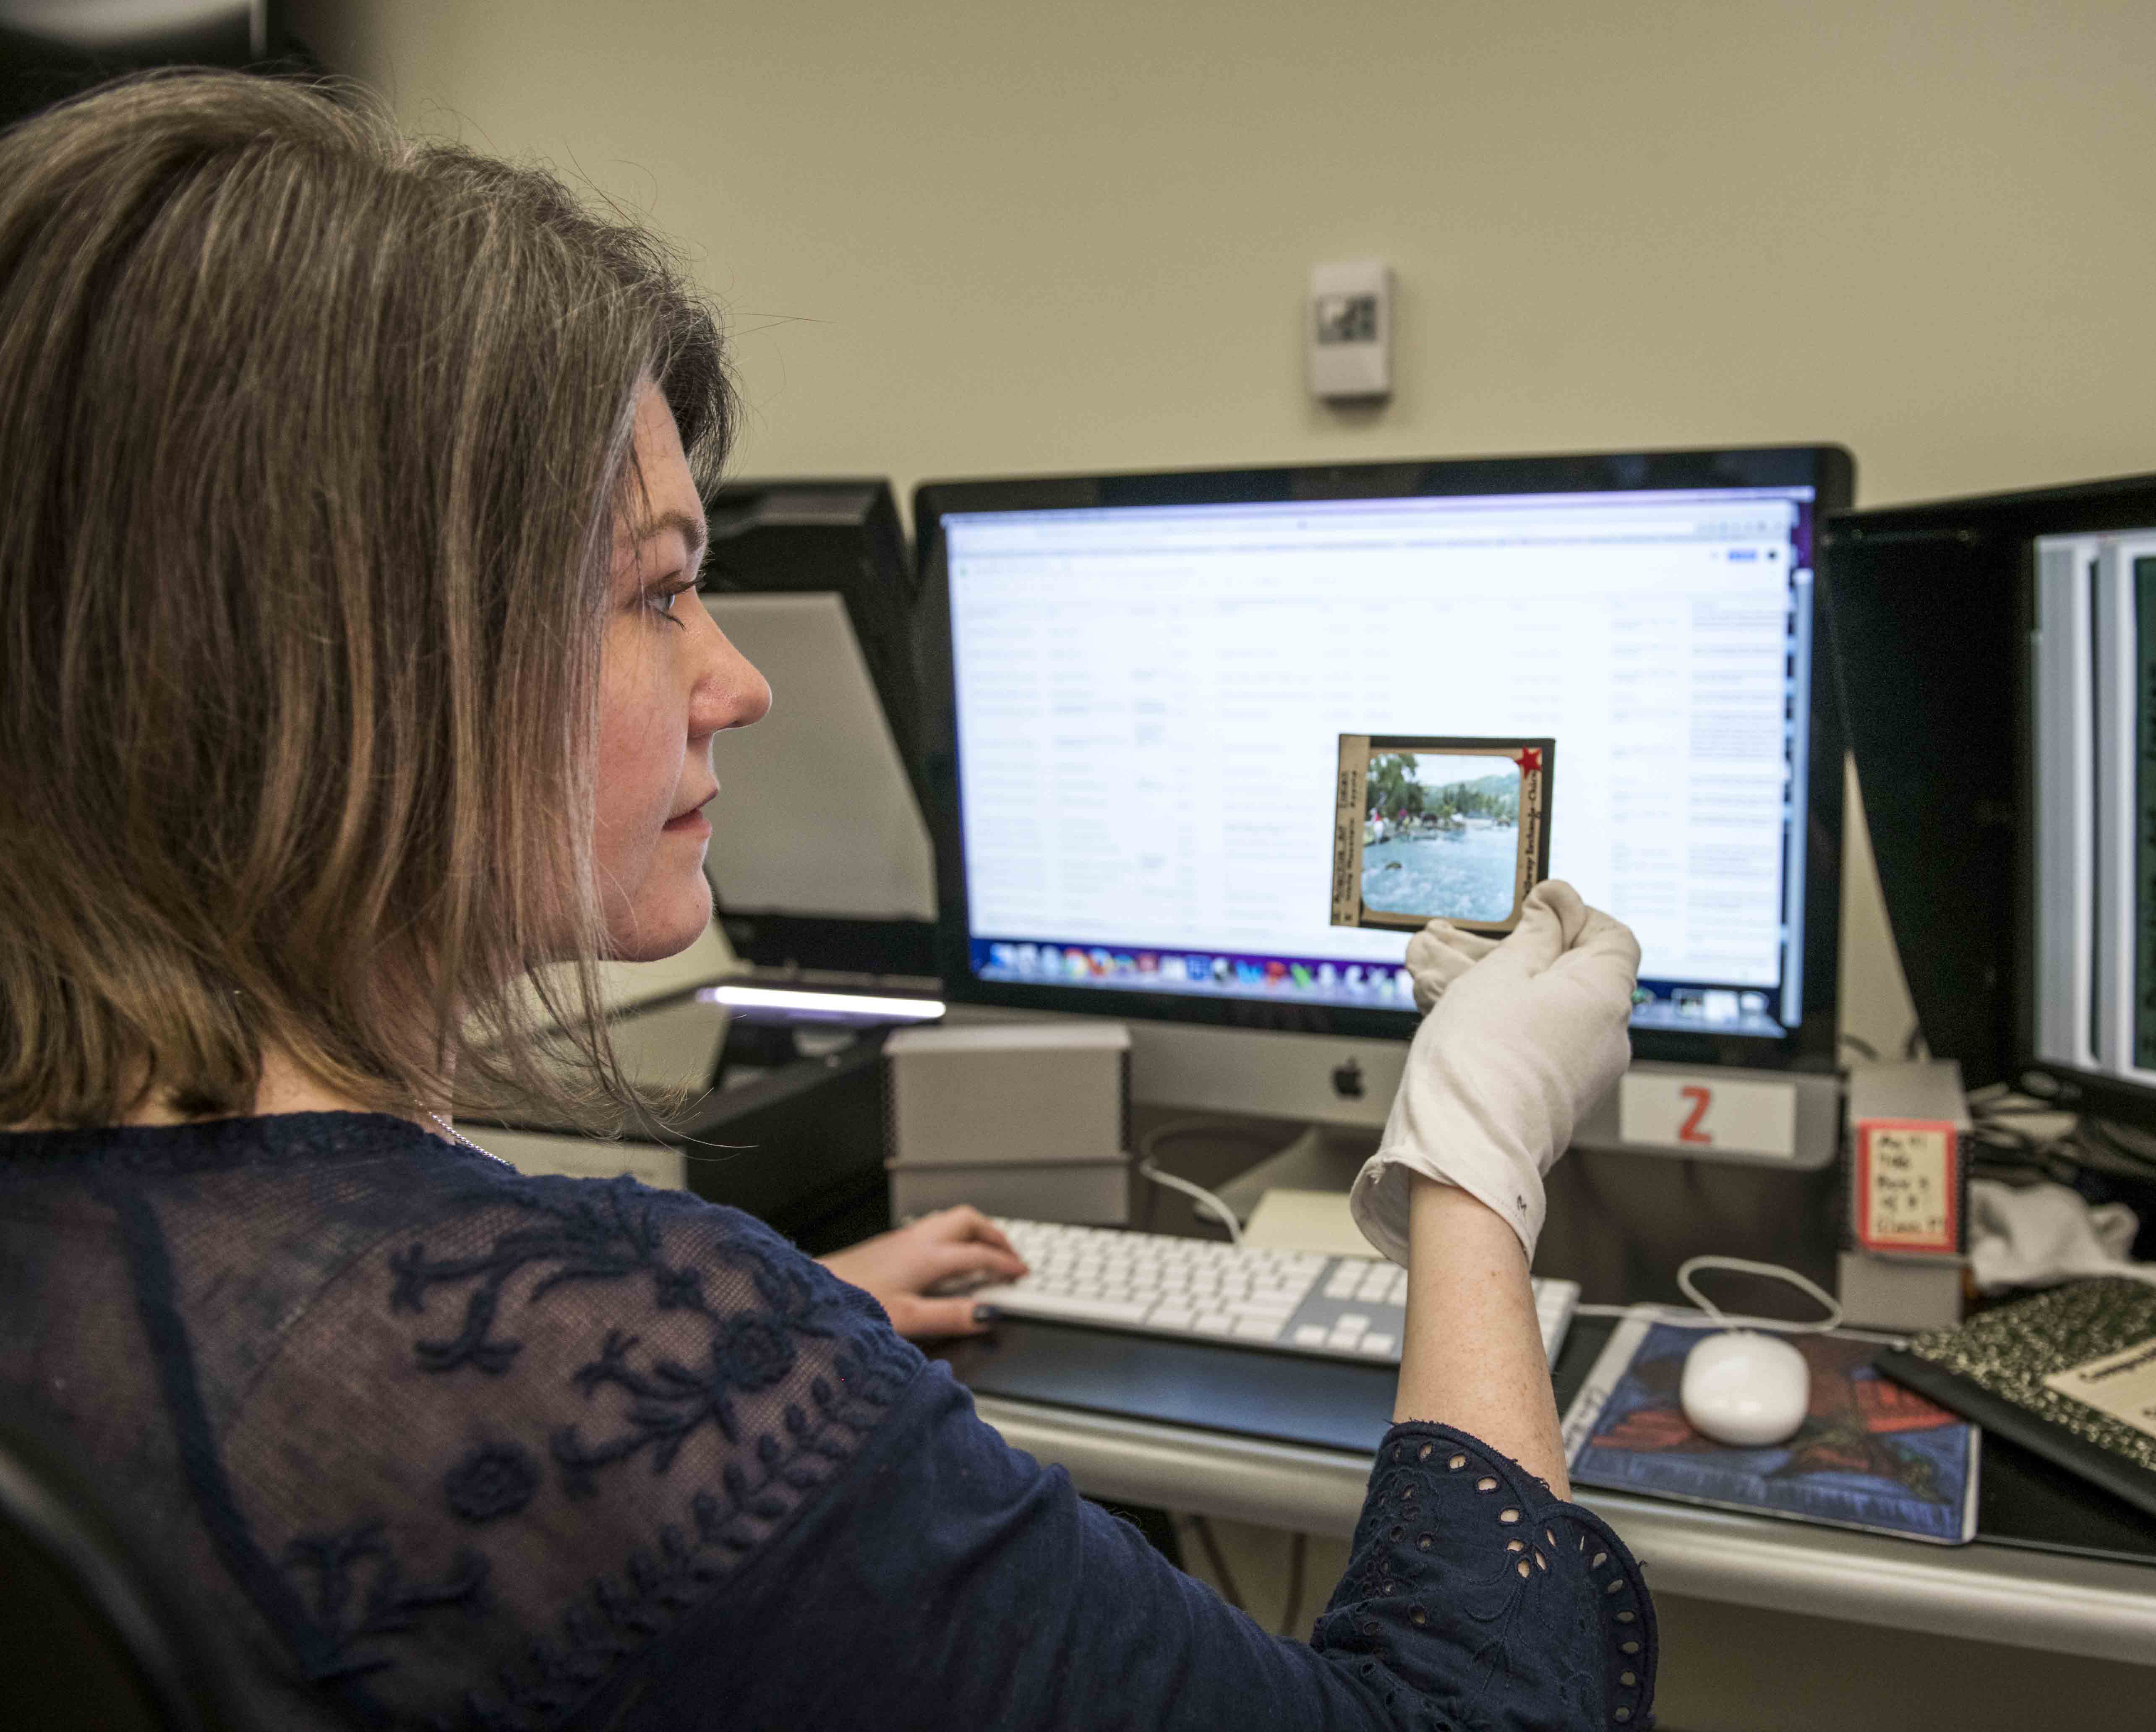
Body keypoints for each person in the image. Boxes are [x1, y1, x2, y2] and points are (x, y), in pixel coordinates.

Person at [0, 73, 1657, 1731]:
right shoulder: (594, 1355)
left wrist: (706, 1383)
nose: (738, 680)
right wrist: (1473, 1157)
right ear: (355, 660)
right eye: (659, 590)